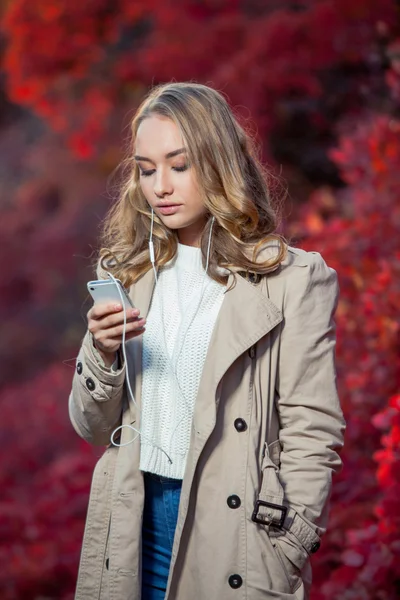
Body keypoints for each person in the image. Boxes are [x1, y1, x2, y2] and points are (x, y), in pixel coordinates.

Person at [68, 82, 345, 600]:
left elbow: (314, 430)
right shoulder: (131, 272)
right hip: (132, 524)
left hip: (236, 533)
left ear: (217, 161)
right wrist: (101, 352)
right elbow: (92, 427)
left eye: (179, 164)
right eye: (147, 170)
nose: (161, 186)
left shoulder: (293, 280)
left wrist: (288, 545)